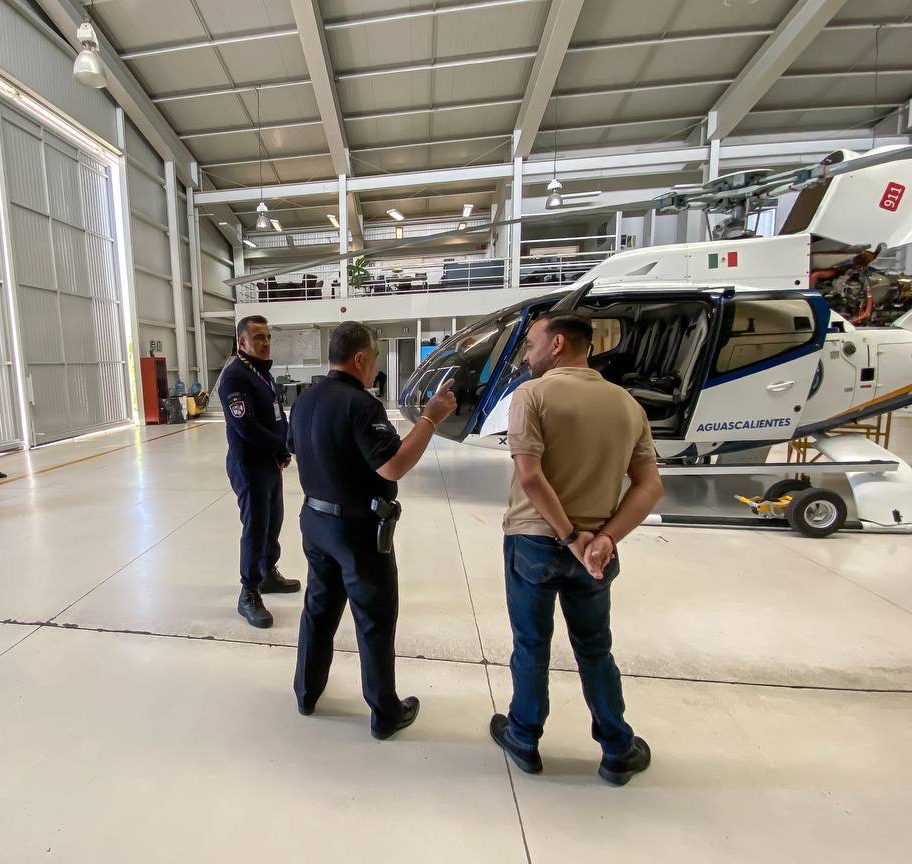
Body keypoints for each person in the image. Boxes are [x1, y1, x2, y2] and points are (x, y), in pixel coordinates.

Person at [489, 313, 665, 786]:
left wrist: (569, 537)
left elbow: (530, 476)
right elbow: (650, 486)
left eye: (531, 345)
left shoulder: (531, 394)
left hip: (535, 541)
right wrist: (605, 539)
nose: (527, 355)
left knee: (531, 644)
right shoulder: (628, 405)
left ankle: (523, 736)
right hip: (595, 554)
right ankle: (617, 748)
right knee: (595, 648)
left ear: (558, 344)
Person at [288, 321, 456, 740]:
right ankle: (385, 713)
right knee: (374, 619)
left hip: (315, 521)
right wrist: (431, 419)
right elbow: (393, 465)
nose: (376, 365)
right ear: (360, 358)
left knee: (319, 609)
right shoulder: (360, 404)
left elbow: (296, 450)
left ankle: (306, 692)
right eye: (375, 357)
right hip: (357, 532)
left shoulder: (305, 400)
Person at [218, 315, 300, 630]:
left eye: (267, 336)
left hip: (268, 461)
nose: (265, 343)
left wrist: (281, 449)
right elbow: (247, 427)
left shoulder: (262, 373)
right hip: (249, 464)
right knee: (255, 527)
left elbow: (277, 416)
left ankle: (268, 573)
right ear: (242, 342)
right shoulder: (235, 377)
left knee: (273, 521)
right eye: (258, 337)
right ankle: (249, 592)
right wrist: (285, 444)